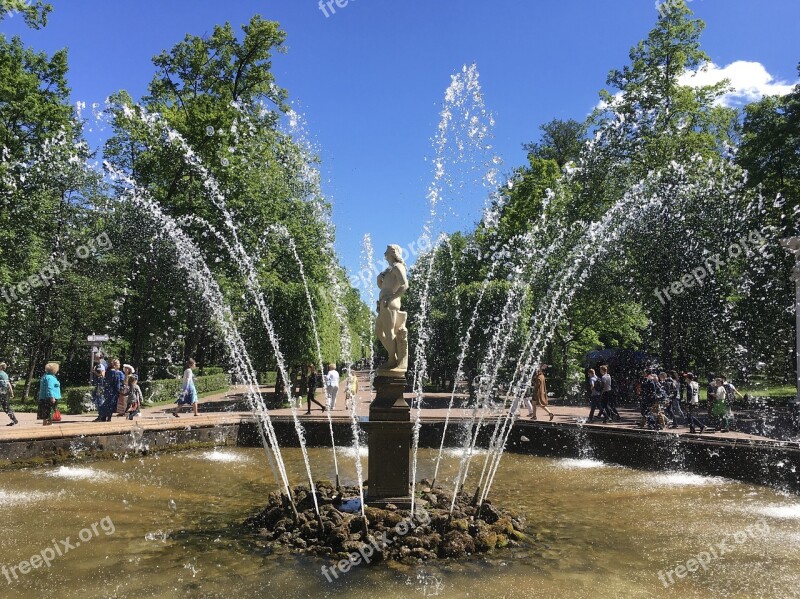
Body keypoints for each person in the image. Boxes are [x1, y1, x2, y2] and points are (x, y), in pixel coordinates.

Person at [375, 245, 409, 371]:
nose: (384, 254)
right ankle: (392, 356)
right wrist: (379, 280)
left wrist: (391, 298)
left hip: (389, 303)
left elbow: (405, 285)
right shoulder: (389, 270)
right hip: (384, 302)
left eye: (386, 252)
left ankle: (392, 360)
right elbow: (384, 287)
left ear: (392, 254)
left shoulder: (397, 267)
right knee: (379, 331)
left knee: (389, 332)